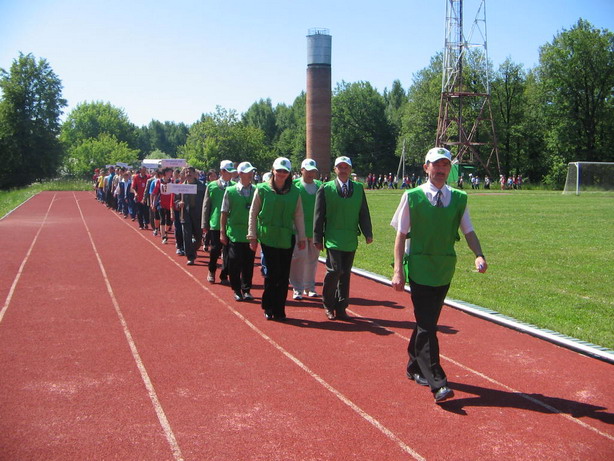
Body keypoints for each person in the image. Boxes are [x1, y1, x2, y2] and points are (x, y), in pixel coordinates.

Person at [391, 147, 488, 403]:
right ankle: (437, 381)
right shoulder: (412, 196)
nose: (440, 169)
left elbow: (468, 231)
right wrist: (398, 270)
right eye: (436, 165)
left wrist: (479, 254)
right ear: (426, 168)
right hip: (420, 268)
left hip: (444, 268)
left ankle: (413, 364)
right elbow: (400, 235)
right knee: (427, 324)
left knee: (428, 321)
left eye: (445, 165)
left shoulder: (458, 198)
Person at [313, 156, 373, 320]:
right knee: (335, 270)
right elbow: (319, 215)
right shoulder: (326, 189)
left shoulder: (359, 189)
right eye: (340, 167)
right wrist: (317, 237)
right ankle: (328, 304)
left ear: (351, 169)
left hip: (350, 238)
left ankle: (341, 307)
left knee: (345, 273)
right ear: (335, 170)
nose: (343, 169)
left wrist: (368, 232)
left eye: (346, 167)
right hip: (333, 237)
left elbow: (363, 212)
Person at [248, 157, 306, 320]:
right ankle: (268, 306)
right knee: (273, 274)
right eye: (279, 170)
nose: (281, 174)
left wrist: (301, 237)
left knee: (283, 275)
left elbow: (299, 215)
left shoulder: (295, 192)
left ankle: (280, 309)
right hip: (268, 236)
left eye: (285, 171)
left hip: (286, 237)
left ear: (289, 173)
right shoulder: (262, 189)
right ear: (273, 171)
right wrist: (252, 235)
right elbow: (253, 213)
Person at [221, 161, 257, 301]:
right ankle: (236, 289)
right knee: (234, 262)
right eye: (248, 171)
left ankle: (246, 289)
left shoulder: (256, 190)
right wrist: (222, 232)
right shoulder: (230, 191)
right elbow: (224, 213)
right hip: (235, 233)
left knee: (249, 263)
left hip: (250, 233)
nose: (251, 174)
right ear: (240, 174)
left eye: (252, 171)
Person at [290, 158, 322, 299]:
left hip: (314, 229)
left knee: (312, 259)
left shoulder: (320, 186)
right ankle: (297, 287)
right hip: (299, 229)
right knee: (298, 258)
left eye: (312, 171)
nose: (310, 174)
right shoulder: (295, 186)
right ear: (302, 170)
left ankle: (310, 287)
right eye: (307, 171)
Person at [202, 160, 235, 283]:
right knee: (215, 249)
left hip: (230, 224)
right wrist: (204, 224)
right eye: (228, 172)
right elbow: (206, 206)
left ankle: (224, 274)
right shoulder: (212, 186)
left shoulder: (234, 186)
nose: (231, 174)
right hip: (215, 223)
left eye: (232, 172)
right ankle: (211, 270)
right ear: (222, 171)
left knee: (229, 252)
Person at [176, 166, 206, 265]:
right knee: (187, 236)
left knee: (198, 238)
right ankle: (190, 257)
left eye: (190, 172)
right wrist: (178, 203)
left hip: (198, 214)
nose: (188, 174)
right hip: (185, 214)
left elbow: (206, 200)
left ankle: (193, 249)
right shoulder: (181, 186)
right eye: (186, 172)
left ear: (194, 174)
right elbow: (176, 200)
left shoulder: (201, 186)